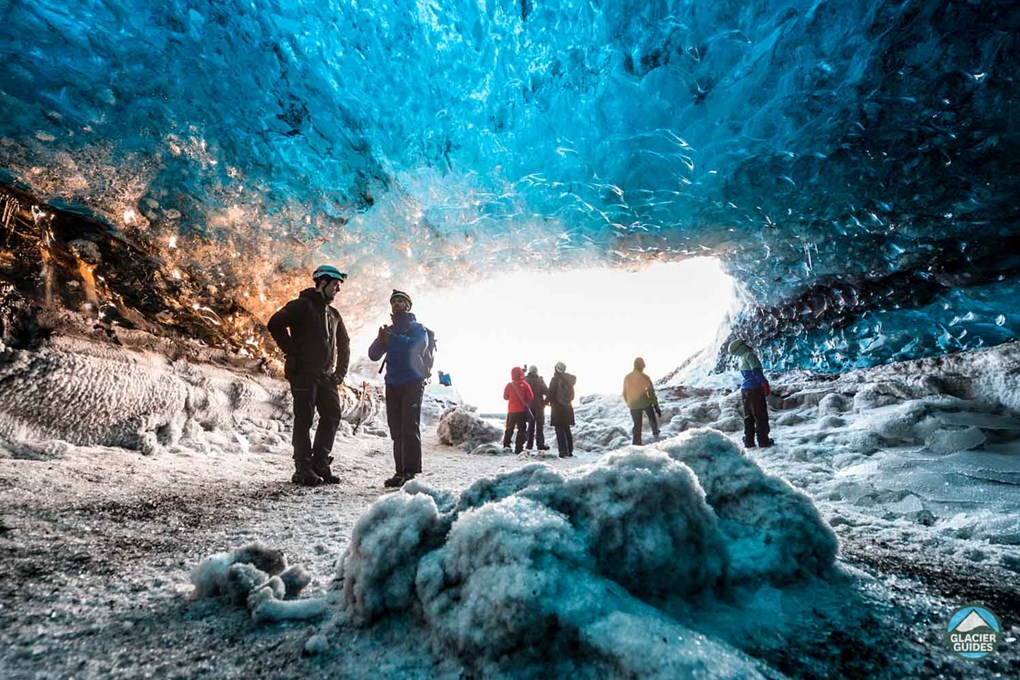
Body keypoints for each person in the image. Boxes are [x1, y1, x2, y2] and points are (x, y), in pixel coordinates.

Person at [267, 265, 350, 486]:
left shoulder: (334, 314)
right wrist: (292, 352)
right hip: (304, 374)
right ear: (322, 283)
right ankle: (302, 468)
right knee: (304, 420)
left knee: (332, 416)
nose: (337, 290)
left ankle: (320, 463)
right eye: (335, 285)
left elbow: (344, 344)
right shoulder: (302, 306)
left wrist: (340, 373)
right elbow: (275, 323)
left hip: (326, 377)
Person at [369, 290, 430, 487]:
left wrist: (392, 338)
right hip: (392, 383)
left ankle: (410, 473)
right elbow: (373, 355)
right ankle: (399, 472)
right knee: (396, 429)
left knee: (409, 427)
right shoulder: (389, 330)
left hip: (412, 382)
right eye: (394, 301)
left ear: (408, 306)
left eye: (401, 301)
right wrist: (381, 339)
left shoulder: (418, 328)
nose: (396, 304)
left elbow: (416, 347)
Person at [728, 338, 773, 448]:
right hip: (755, 390)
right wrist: (765, 384)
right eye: (744, 343)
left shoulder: (741, 358)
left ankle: (749, 440)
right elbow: (756, 372)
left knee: (749, 416)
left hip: (745, 390)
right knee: (760, 416)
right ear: (741, 347)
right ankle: (763, 441)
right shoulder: (749, 355)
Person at [623, 357, 660, 445]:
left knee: (637, 426)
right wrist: (656, 406)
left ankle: (636, 445)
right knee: (652, 418)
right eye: (643, 365)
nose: (644, 366)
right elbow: (651, 392)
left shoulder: (627, 377)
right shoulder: (645, 377)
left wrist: (629, 403)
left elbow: (624, 392)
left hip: (633, 405)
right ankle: (656, 434)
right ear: (640, 365)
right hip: (645, 403)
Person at [502, 366, 535, 454]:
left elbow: (505, 397)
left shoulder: (509, 385)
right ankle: (519, 448)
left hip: (511, 410)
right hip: (521, 410)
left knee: (509, 428)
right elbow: (531, 397)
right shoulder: (525, 384)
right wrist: (524, 401)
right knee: (521, 428)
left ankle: (506, 446)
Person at [548, 361, 576, 458]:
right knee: (567, 429)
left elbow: (550, 394)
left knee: (559, 429)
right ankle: (570, 451)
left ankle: (563, 451)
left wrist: (545, 402)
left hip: (558, 407)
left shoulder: (555, 380)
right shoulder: (569, 380)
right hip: (568, 407)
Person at [524, 365, 550, 451]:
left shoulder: (525, 380)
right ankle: (540, 444)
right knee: (539, 426)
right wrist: (545, 402)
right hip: (539, 406)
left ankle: (529, 444)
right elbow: (547, 392)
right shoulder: (540, 381)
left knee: (530, 426)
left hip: (528, 406)